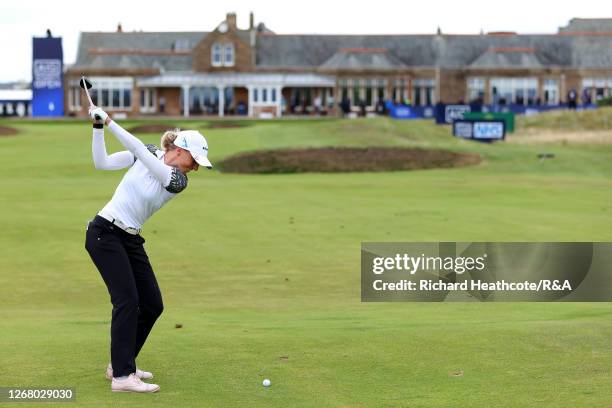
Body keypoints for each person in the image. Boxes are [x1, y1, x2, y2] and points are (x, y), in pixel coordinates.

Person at [84, 106, 212, 393]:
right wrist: (98, 127)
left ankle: (121, 363)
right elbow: (102, 163)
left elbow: (140, 151)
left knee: (152, 304)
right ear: (180, 150)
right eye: (194, 160)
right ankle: (122, 376)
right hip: (104, 233)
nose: (195, 168)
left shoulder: (178, 180)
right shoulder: (150, 152)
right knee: (127, 301)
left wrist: (110, 121)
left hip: (129, 238)